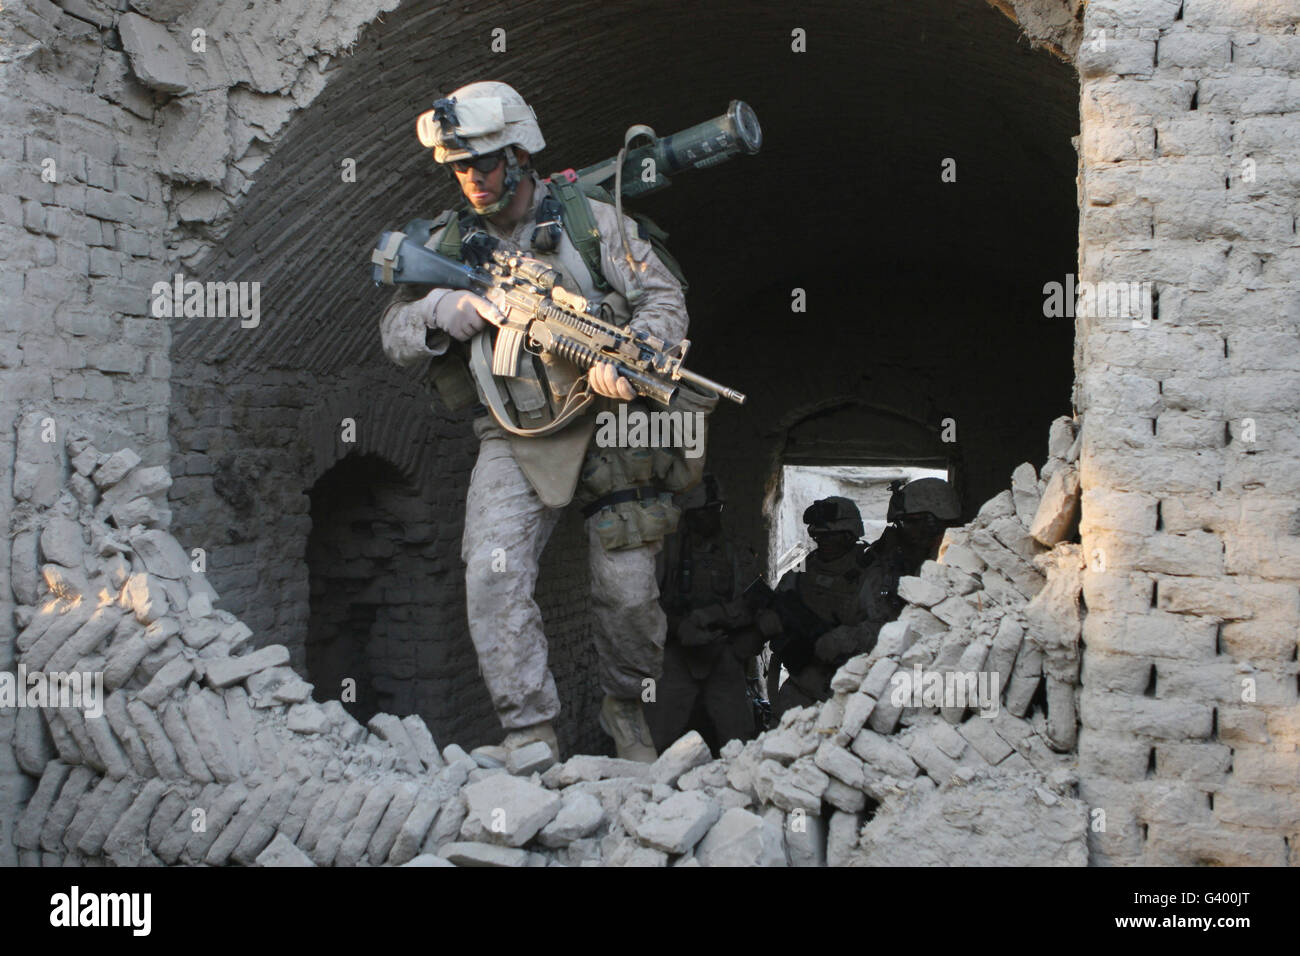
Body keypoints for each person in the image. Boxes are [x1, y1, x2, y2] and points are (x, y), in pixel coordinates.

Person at [376, 81, 692, 763]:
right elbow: (393, 334)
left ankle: (626, 710)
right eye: (459, 167)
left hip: (613, 425)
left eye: (484, 163)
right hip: (514, 432)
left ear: (521, 155)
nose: (472, 179)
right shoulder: (450, 241)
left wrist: (634, 357)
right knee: (491, 574)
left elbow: (664, 301)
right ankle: (529, 731)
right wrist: (435, 313)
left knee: (630, 594)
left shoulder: (592, 221)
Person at [766, 479, 961, 718]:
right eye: (818, 536)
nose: (823, 542)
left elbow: (889, 628)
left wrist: (842, 639)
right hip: (802, 681)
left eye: (831, 536)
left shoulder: (878, 571)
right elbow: (781, 595)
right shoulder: (805, 565)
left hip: (856, 684)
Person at [645, 475, 772, 754]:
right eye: (707, 511)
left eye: (718, 510)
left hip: (722, 653)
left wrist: (718, 618)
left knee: (740, 736)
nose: (714, 517)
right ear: (690, 514)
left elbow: (756, 598)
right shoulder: (666, 551)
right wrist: (679, 627)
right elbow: (643, 605)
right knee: (654, 734)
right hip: (675, 656)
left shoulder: (733, 550)